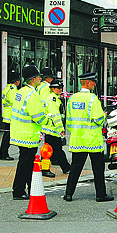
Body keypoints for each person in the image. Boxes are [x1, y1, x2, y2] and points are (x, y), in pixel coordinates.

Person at [64, 72, 113, 202]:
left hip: (77, 139)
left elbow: (68, 121)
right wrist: (104, 115)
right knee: (98, 169)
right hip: (92, 140)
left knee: (75, 168)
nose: (95, 84)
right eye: (93, 82)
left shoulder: (72, 98)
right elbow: (97, 119)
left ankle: (68, 194)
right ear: (87, 83)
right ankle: (100, 195)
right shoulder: (92, 99)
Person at [10, 65, 50, 200]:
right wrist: (47, 119)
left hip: (20, 133)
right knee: (25, 164)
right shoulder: (32, 95)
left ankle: (29, 187)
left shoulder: (21, 91)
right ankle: (19, 190)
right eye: (39, 76)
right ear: (33, 79)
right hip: (28, 135)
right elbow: (38, 117)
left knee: (25, 162)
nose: (41, 78)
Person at [40, 79, 71, 177]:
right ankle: (65, 168)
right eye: (57, 88)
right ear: (52, 88)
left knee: (52, 150)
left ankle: (63, 167)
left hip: (52, 129)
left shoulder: (54, 98)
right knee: (53, 150)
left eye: (60, 88)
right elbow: (55, 115)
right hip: (52, 129)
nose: (59, 89)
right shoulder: (53, 99)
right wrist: (61, 128)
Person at [38, 67, 57, 177]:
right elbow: (48, 103)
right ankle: (45, 166)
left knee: (50, 143)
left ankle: (52, 160)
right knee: (48, 145)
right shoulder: (46, 88)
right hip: (47, 117)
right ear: (48, 78)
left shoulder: (39, 86)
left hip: (42, 115)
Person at [0, 70, 20, 161]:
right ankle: (4, 154)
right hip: (12, 116)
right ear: (16, 81)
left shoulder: (6, 89)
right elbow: (15, 103)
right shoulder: (13, 90)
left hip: (7, 115)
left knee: (8, 135)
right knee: (9, 136)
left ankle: (4, 153)